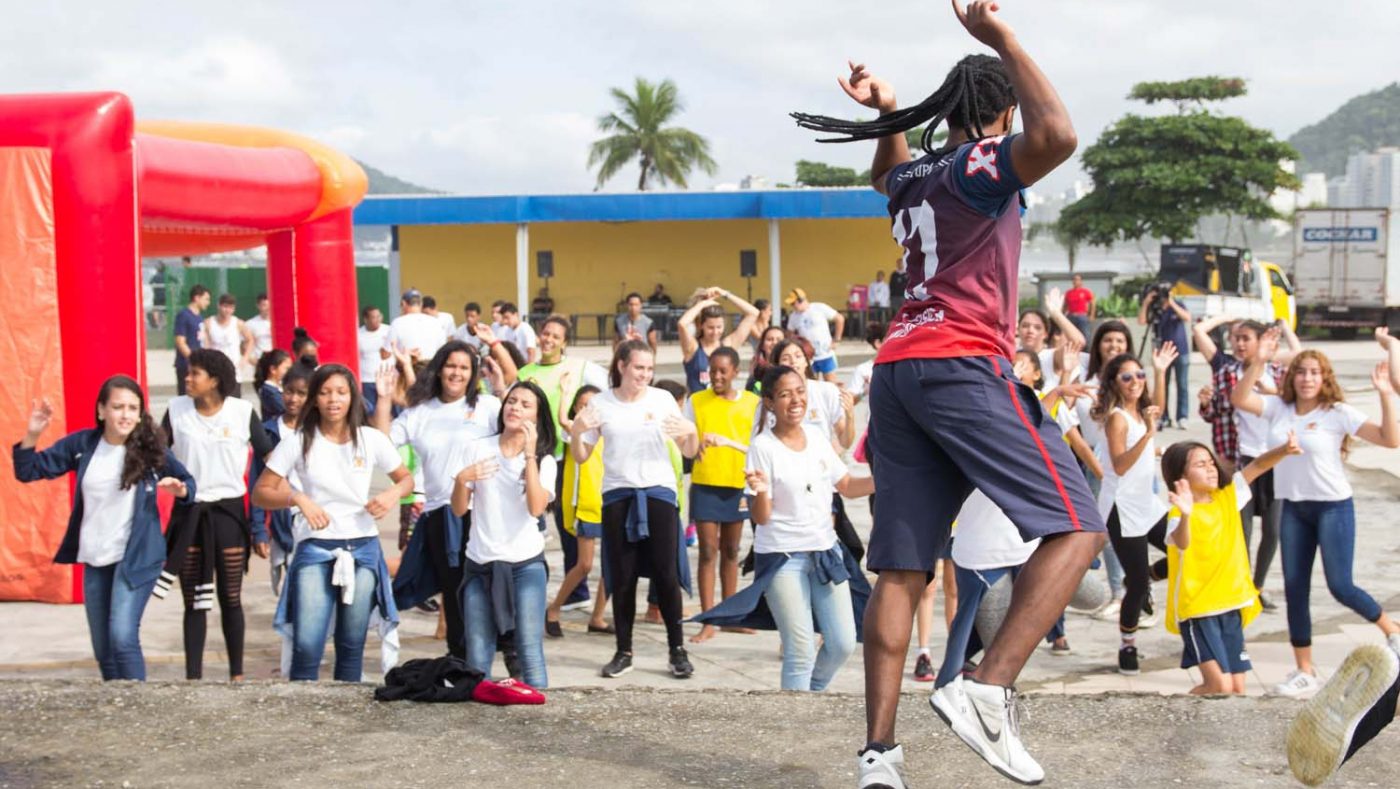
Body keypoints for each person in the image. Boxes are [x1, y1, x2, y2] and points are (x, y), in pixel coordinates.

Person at [790, 4, 1099, 781]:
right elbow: (1058, 136)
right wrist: (1005, 39)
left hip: (898, 371)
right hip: (962, 363)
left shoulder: (919, 174)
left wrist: (892, 113)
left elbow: (883, 171)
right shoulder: (980, 164)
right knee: (1076, 525)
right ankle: (986, 689)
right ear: (997, 114)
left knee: (900, 569)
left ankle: (878, 755)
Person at [693, 365, 873, 690]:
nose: (795, 400)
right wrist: (760, 491)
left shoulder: (818, 438)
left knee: (843, 642)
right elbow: (762, 518)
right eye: (785, 394)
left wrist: (886, 483)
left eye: (800, 391)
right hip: (782, 557)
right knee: (801, 650)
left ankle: (810, 695)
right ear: (770, 402)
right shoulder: (763, 447)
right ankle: (798, 717)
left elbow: (845, 484)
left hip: (825, 553)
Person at [1232, 350, 1400, 698]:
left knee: (1340, 585)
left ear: (1325, 379)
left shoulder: (1336, 413)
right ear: (1291, 377)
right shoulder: (1279, 408)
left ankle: (1392, 630)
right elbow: (1240, 398)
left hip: (1333, 508)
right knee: (1295, 590)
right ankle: (1305, 670)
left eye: (1314, 373)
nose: (1307, 379)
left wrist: (1385, 392)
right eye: (1301, 372)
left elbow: (1389, 438)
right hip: (1293, 507)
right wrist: (1259, 360)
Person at [13, 377, 195, 680]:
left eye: (132, 408)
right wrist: (33, 432)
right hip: (96, 558)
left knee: (123, 637)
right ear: (101, 410)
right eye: (117, 407)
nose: (125, 415)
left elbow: (189, 483)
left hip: (137, 558)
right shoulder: (82, 445)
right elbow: (29, 470)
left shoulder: (151, 450)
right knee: (103, 649)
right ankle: (116, 711)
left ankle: (137, 709)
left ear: (140, 414)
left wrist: (181, 490)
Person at [253, 364, 412, 681]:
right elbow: (261, 492)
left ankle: (347, 724)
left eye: (340, 392)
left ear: (352, 397)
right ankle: (304, 719)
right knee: (308, 646)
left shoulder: (370, 439)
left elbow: (406, 478)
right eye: (324, 392)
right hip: (315, 549)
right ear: (314, 399)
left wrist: (392, 494)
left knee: (352, 646)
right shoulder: (298, 441)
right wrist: (297, 498)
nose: (333, 400)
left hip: (363, 549)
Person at [569, 340, 700, 680]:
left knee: (665, 574)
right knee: (622, 577)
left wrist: (692, 433)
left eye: (649, 369)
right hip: (618, 494)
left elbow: (688, 449)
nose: (645, 374)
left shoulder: (662, 400)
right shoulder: (601, 403)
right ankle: (623, 650)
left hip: (658, 493)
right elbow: (582, 456)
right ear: (622, 365)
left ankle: (677, 649)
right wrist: (576, 432)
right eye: (639, 367)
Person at [374, 341, 505, 660]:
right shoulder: (420, 412)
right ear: (439, 369)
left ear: (473, 373)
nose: (456, 373)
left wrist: (502, 389)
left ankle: (501, 655)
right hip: (440, 516)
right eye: (451, 365)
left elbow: (516, 433)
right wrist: (382, 398)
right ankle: (462, 661)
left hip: (484, 513)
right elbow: (381, 445)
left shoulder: (487, 406)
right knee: (455, 592)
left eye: (464, 367)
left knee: (491, 590)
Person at [158, 349, 275, 680]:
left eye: (195, 373)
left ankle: (237, 674)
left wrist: (267, 514)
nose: (188, 378)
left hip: (229, 514)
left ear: (215, 380)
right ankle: (193, 677)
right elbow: (156, 451)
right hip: (189, 514)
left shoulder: (241, 412)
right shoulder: (176, 410)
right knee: (194, 600)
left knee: (231, 596)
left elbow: (270, 457)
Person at [1160, 436, 1298, 695]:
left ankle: (1217, 732)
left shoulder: (1228, 496)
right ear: (1181, 475)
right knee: (1219, 686)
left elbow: (1257, 465)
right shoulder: (1179, 513)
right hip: (1198, 610)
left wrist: (1285, 450)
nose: (1210, 468)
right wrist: (1187, 514)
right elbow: (1182, 542)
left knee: (1236, 688)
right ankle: (1177, 711)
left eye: (1210, 462)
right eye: (1200, 465)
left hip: (1231, 603)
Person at [451, 380, 557, 689]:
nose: (515, 408)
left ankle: (542, 716)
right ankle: (476, 718)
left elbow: (536, 508)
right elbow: (459, 509)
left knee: (528, 649)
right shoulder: (477, 447)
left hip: (525, 565)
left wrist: (529, 455)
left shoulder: (544, 460)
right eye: (512, 401)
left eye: (526, 405)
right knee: (478, 653)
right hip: (480, 564)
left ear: (537, 418)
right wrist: (461, 480)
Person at [1193, 317, 1297, 610]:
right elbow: (1215, 413)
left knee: (1274, 530)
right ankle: (1242, 588)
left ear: (1262, 341)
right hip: (1241, 459)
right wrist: (1205, 403)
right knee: (1242, 529)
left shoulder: (1278, 372)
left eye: (1246, 338)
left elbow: (1295, 391)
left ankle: (1258, 585)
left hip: (1276, 458)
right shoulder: (1227, 372)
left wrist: (1283, 331)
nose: (1239, 344)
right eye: (1236, 338)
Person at [1094, 345, 1176, 675]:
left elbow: (1158, 408)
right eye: (1127, 377)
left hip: (1147, 503)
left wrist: (1159, 370)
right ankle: (1127, 647)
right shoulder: (1117, 418)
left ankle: (1140, 575)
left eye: (1139, 375)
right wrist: (1149, 440)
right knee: (1139, 588)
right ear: (1114, 382)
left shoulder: (1142, 412)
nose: (1135, 382)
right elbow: (1120, 464)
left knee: (1185, 546)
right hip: (1121, 506)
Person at [517, 316, 608, 612]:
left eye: (556, 336)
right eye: (545, 333)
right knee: (533, 521)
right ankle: (528, 584)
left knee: (568, 526)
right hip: (531, 454)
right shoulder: (525, 371)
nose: (549, 340)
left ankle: (576, 592)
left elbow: (607, 389)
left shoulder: (578, 368)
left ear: (564, 342)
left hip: (563, 454)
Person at [684, 347, 760, 643]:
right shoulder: (696, 401)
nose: (716, 376)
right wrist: (692, 443)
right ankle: (708, 619)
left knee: (731, 551)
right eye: (712, 371)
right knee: (707, 551)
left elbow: (757, 443)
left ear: (735, 372)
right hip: (705, 484)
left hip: (736, 484)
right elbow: (684, 440)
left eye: (722, 371)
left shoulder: (752, 403)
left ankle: (729, 616)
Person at [545, 385, 613, 636]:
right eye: (583, 405)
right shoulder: (575, 431)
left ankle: (597, 617)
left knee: (611, 565)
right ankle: (554, 608)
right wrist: (563, 392)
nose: (588, 410)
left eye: (593, 405)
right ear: (576, 408)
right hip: (585, 504)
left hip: (609, 502)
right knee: (583, 564)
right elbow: (563, 420)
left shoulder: (609, 431)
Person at [250, 364, 311, 596]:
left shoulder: (320, 431)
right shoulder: (267, 433)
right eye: (288, 391)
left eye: (301, 393)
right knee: (292, 587)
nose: (293, 398)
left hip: (313, 517)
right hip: (282, 518)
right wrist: (259, 530)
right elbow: (257, 482)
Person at [679, 286, 761, 394]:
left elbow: (753, 313)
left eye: (719, 327)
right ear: (701, 325)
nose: (715, 332)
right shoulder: (693, 348)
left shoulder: (728, 345)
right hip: (698, 407)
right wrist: (703, 304)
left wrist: (725, 294)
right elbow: (682, 324)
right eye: (710, 327)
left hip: (723, 406)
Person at [1138, 288, 1193, 429]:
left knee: (1182, 385)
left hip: (1180, 350)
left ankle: (1182, 417)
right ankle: (1164, 416)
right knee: (1163, 384)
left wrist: (1171, 303)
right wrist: (1146, 303)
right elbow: (1142, 321)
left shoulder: (1177, 304)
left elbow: (1187, 317)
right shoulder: (1155, 308)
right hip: (1162, 354)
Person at [1015, 288, 1086, 393]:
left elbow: (1078, 342)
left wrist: (1056, 314)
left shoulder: (1051, 355)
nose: (1030, 331)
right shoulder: (1012, 354)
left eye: (1037, 327)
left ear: (1045, 334)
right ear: (1018, 329)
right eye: (1025, 326)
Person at [784, 288, 846, 383]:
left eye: (794, 303)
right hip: (809, 356)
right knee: (811, 382)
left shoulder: (819, 308)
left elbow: (839, 318)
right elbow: (789, 332)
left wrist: (837, 340)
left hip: (825, 353)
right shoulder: (794, 316)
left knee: (831, 382)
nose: (793, 306)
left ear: (801, 300)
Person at [200, 294, 258, 391]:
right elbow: (205, 345)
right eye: (225, 307)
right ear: (219, 306)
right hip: (215, 367)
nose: (227, 310)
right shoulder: (209, 323)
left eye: (231, 308)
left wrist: (245, 358)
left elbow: (250, 339)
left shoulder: (238, 323)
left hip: (234, 367)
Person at [383, 289, 448, 367]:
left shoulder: (397, 323)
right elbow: (443, 351)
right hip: (430, 371)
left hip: (407, 371)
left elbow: (385, 354)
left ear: (403, 304)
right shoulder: (436, 323)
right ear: (421, 304)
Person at [174, 285, 211, 396]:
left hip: (199, 365)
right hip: (186, 365)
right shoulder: (184, 315)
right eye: (206, 299)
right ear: (196, 298)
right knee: (186, 398)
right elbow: (180, 341)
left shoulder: (199, 317)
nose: (208, 303)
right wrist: (193, 360)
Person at [358, 306, 390, 412]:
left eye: (378, 316)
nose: (377, 320)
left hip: (386, 378)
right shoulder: (358, 334)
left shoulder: (389, 330)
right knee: (370, 411)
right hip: (367, 380)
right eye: (373, 317)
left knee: (389, 410)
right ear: (366, 319)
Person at [848, 323, 885, 405]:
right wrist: (864, 392)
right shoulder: (863, 369)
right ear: (878, 343)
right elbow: (850, 402)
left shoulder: (900, 367)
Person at [747, 325, 787, 395]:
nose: (774, 342)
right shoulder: (757, 372)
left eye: (779, 340)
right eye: (770, 339)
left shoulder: (792, 368)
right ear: (762, 345)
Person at [254, 349, 292, 421]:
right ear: (273, 369)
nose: (290, 372)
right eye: (287, 368)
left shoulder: (280, 388)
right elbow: (285, 409)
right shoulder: (268, 391)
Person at [1062, 274, 1095, 338]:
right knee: (1069, 335)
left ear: (1081, 281)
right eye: (1074, 279)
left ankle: (1087, 348)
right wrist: (1062, 315)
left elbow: (1092, 303)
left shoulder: (1085, 292)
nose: (1075, 281)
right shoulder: (1068, 293)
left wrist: (1092, 315)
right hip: (1071, 316)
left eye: (1077, 279)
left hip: (1082, 317)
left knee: (1085, 335)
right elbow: (1065, 305)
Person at [244, 293, 274, 357]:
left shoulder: (279, 322)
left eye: (269, 305)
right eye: (264, 305)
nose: (268, 308)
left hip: (277, 362)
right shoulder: (250, 324)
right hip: (258, 362)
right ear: (258, 306)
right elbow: (244, 346)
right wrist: (251, 360)